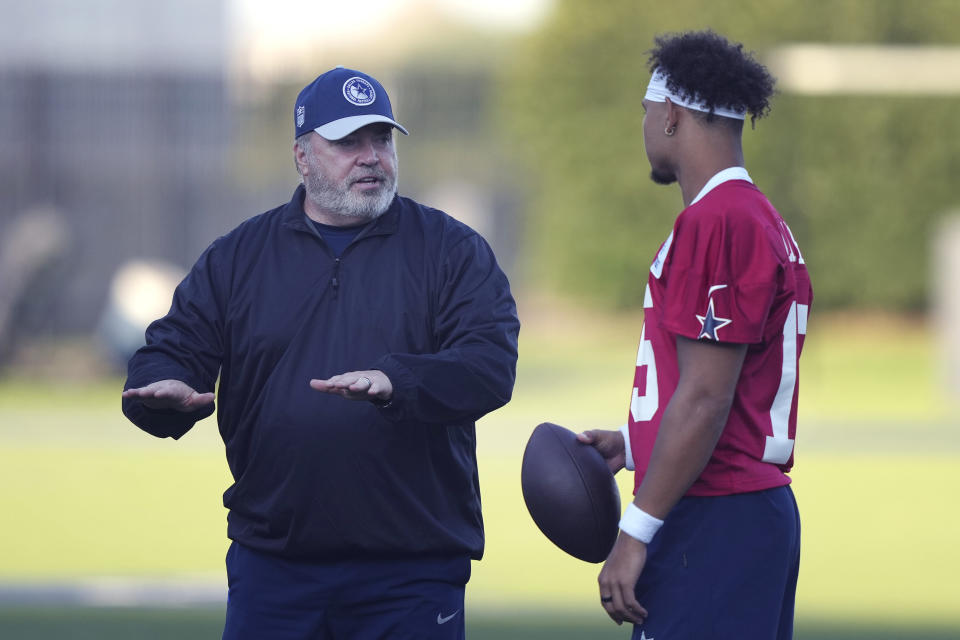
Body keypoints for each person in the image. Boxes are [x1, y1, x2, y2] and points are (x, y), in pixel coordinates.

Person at [121, 66, 519, 639]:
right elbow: (170, 349)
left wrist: (396, 380)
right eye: (347, 142)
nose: (371, 156)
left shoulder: (452, 250)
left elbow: (489, 365)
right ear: (303, 156)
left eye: (381, 138)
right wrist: (164, 390)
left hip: (413, 573)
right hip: (275, 568)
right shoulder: (239, 257)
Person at [577, 31, 813, 639]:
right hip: (735, 511)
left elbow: (707, 397)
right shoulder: (750, 214)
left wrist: (635, 531)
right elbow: (721, 385)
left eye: (647, 113)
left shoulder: (720, 220)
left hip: (714, 515)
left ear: (673, 115)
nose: (646, 128)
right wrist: (636, 440)